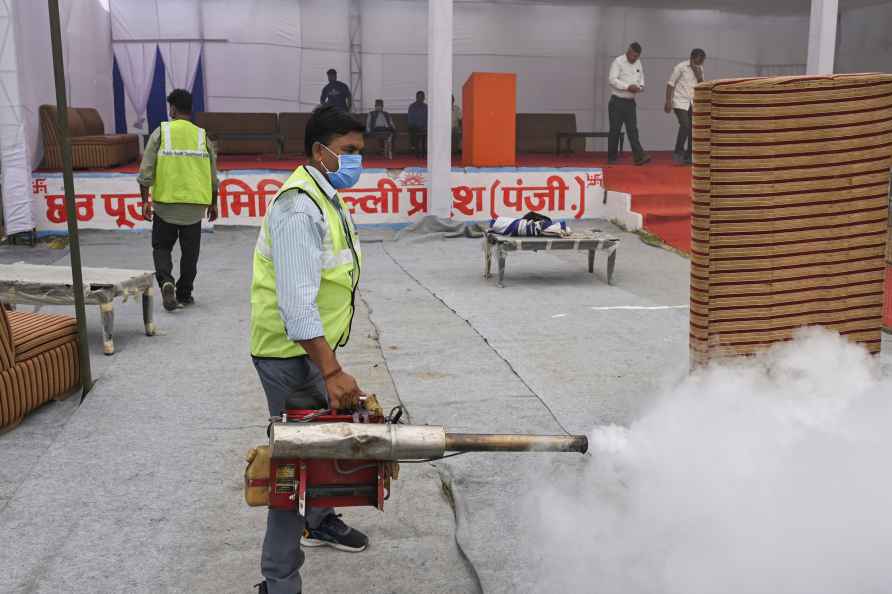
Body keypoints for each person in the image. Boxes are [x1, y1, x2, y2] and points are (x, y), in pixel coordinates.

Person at [250, 105, 368, 594]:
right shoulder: (299, 207)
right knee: (293, 466)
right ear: (320, 151)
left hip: (311, 352)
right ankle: (278, 583)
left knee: (322, 443)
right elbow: (296, 308)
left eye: (361, 152)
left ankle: (319, 519)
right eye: (349, 152)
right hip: (290, 354)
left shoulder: (325, 195)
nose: (358, 162)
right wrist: (333, 370)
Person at [138, 88, 218, 312]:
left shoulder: (161, 133)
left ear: (172, 108)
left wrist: (144, 200)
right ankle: (184, 293)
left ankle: (166, 281)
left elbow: (146, 172)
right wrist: (214, 203)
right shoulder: (203, 137)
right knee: (190, 253)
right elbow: (213, 176)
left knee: (161, 247)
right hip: (194, 208)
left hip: (165, 205)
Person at [607, 42, 650, 166]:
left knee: (633, 130)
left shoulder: (638, 62)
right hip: (617, 101)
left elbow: (641, 78)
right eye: (633, 56)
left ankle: (639, 157)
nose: (634, 59)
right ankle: (612, 158)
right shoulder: (618, 62)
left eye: (637, 56)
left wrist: (640, 87)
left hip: (630, 102)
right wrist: (627, 87)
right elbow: (612, 80)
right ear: (628, 52)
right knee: (615, 130)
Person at [665, 48, 706, 165]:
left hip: (693, 102)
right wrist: (668, 101)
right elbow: (670, 84)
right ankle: (678, 153)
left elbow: (702, 86)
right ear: (692, 58)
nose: (700, 63)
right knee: (685, 125)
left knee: (693, 129)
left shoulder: (700, 69)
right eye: (699, 60)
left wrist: (698, 75)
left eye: (702, 61)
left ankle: (689, 156)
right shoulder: (680, 67)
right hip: (679, 102)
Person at [407, 90, 428, 158]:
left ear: (424, 98)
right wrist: (417, 125)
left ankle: (424, 153)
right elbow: (410, 119)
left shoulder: (426, 107)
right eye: (419, 97)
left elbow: (428, 118)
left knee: (428, 130)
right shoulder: (412, 106)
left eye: (422, 97)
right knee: (413, 130)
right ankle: (416, 151)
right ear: (416, 97)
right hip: (414, 126)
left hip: (424, 127)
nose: (420, 98)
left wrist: (425, 126)